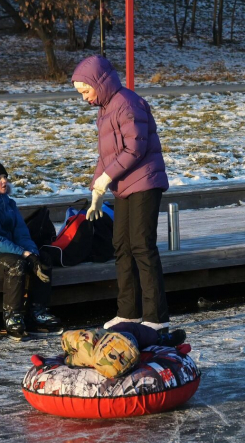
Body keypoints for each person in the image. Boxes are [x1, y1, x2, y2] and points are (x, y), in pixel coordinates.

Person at [72, 55, 177, 337]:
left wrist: (107, 179)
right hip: (124, 185)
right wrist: (96, 188)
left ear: (98, 82)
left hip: (145, 181)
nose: (84, 98)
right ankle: (128, 312)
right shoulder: (105, 109)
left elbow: (135, 149)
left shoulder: (127, 104)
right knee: (121, 246)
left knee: (142, 246)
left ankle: (156, 318)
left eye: (85, 91)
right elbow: (106, 156)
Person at [0, 159, 62, 341]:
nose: (4, 181)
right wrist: (23, 253)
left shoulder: (8, 203)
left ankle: (37, 312)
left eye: (5, 177)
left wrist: (32, 253)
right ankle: (13, 317)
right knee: (16, 265)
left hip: (12, 249)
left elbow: (22, 233)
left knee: (44, 259)